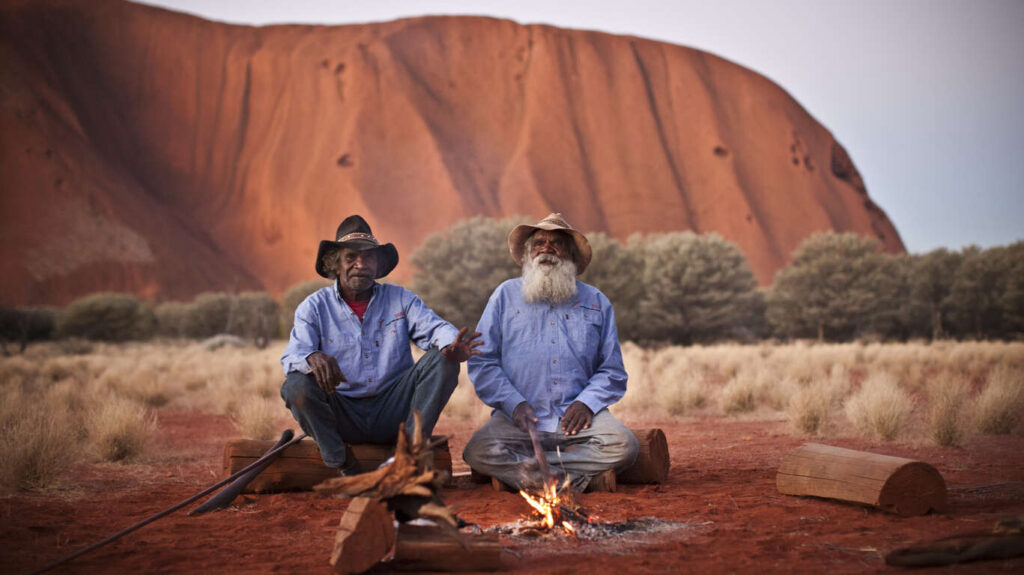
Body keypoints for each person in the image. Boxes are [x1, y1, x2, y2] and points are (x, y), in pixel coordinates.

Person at [281, 215, 482, 475]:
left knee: (445, 361)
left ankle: (408, 456)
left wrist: (450, 345)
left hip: (395, 412)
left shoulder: (401, 299)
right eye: (351, 257)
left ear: (378, 265)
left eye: (369, 258)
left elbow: (436, 328)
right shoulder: (314, 307)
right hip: (343, 415)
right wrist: (311, 358)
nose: (360, 265)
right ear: (336, 264)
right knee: (296, 386)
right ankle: (341, 462)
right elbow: (291, 358)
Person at [462, 213, 638, 491]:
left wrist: (587, 403)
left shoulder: (596, 302)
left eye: (556, 243)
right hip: (520, 420)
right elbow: (484, 361)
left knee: (624, 446)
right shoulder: (504, 296)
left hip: (578, 421)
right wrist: (513, 403)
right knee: (477, 451)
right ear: (528, 253)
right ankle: (576, 479)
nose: (547, 249)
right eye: (539, 243)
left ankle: (534, 475)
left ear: (570, 255)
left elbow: (611, 370)